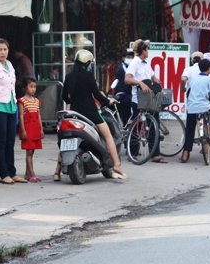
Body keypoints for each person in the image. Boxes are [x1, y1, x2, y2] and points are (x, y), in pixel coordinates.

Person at [61, 49, 127, 178]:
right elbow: (96, 94)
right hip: (90, 113)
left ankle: (57, 171)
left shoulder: (69, 77)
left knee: (66, 140)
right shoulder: (88, 76)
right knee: (108, 136)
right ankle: (117, 165)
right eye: (90, 63)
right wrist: (108, 102)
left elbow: (64, 97)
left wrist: (73, 101)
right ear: (87, 63)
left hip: (74, 113)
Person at [0, 38, 28, 184]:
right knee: (1, 141)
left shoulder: (9, 65)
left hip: (11, 106)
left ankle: (12, 172)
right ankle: (4, 174)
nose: (3, 52)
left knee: (10, 141)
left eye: (5, 49)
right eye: (0, 50)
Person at [124, 39, 167, 164]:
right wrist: (140, 83)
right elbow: (127, 79)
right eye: (147, 49)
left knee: (154, 125)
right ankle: (133, 152)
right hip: (138, 99)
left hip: (150, 99)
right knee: (136, 125)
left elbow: (153, 76)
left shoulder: (146, 63)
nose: (148, 51)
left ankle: (155, 155)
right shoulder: (135, 62)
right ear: (143, 50)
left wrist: (159, 83)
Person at [180, 59, 210, 163]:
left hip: (191, 107)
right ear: (209, 69)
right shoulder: (209, 79)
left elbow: (189, 91)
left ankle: (185, 153)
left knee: (190, 129)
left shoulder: (194, 79)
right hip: (204, 107)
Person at [17, 77, 44, 183]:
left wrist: (41, 129)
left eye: (35, 87)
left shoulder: (37, 101)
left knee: (32, 151)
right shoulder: (22, 101)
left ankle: (27, 173)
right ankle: (32, 173)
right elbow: (21, 116)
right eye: (31, 87)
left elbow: (39, 115)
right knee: (29, 151)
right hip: (27, 128)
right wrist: (23, 130)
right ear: (25, 88)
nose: (33, 89)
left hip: (35, 128)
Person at [114, 48, 134, 124]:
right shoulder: (122, 68)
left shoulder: (130, 67)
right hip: (122, 94)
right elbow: (130, 79)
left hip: (129, 94)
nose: (131, 59)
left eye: (132, 57)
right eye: (128, 57)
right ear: (123, 58)